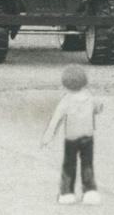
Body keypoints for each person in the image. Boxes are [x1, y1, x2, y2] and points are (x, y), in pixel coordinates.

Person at [41, 64, 102, 205]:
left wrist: (48, 136)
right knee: (87, 163)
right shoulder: (90, 97)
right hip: (87, 136)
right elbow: (98, 108)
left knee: (69, 164)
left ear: (66, 83)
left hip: (71, 137)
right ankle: (90, 191)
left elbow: (56, 119)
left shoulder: (66, 100)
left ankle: (67, 193)